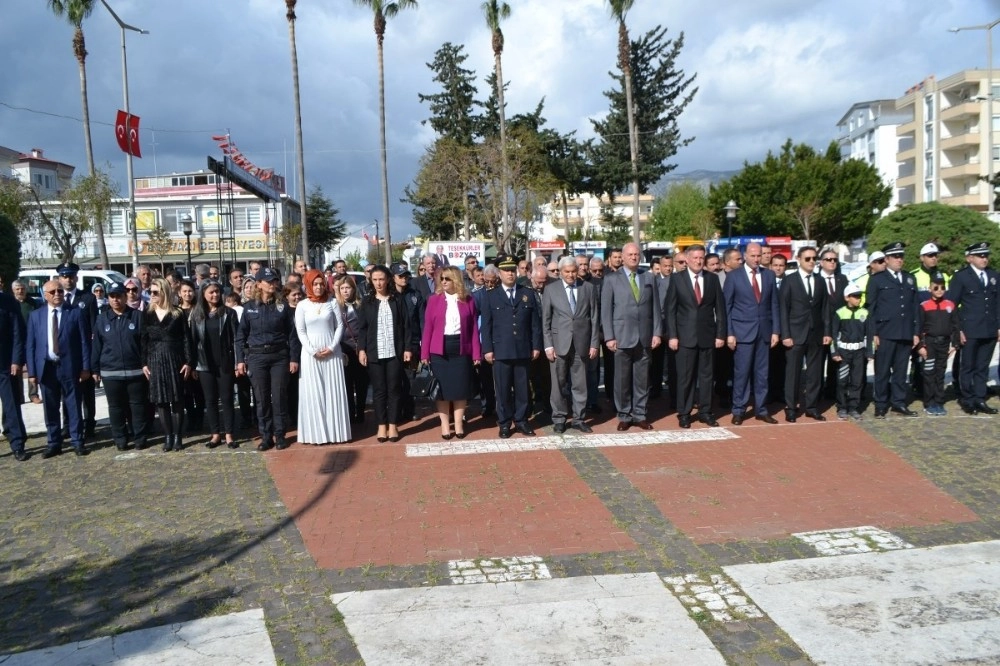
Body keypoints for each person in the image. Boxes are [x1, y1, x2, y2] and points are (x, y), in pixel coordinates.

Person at [236, 267, 301, 451]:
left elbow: (292, 335)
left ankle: (280, 435)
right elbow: (241, 336)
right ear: (259, 284)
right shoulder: (249, 308)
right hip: (257, 357)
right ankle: (266, 436)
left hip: (279, 356)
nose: (273, 284)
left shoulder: (283, 306)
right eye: (268, 281)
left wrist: (293, 358)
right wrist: (240, 359)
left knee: (279, 397)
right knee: (261, 399)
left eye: (274, 280)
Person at [27, 280, 92, 457]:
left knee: (73, 405)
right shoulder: (36, 316)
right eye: (53, 291)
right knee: (50, 407)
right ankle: (54, 442)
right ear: (45, 295)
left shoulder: (75, 313)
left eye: (60, 291)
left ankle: (78, 440)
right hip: (46, 368)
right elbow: (31, 346)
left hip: (70, 367)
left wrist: (86, 367)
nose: (57, 294)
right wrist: (32, 373)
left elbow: (84, 342)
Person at [480, 254, 543, 438]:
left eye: (512, 270)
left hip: (523, 349)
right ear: (499, 273)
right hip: (501, 350)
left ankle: (522, 421)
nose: (510, 274)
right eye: (506, 270)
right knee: (503, 389)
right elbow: (486, 325)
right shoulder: (491, 296)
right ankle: (505, 423)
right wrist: (488, 349)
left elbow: (534, 324)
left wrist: (536, 346)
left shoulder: (527, 293)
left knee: (523, 389)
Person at [602, 242, 663, 430]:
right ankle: (624, 415)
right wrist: (609, 337)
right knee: (621, 379)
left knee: (642, 379)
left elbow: (655, 307)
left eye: (637, 254)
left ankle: (640, 414)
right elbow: (606, 310)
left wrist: (657, 332)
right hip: (621, 337)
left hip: (644, 336)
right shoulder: (611, 279)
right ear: (623, 256)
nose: (634, 257)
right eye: (630, 254)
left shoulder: (649, 278)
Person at [665, 244, 725, 428]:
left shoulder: (712, 279)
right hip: (684, 337)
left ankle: (706, 411)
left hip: (708, 335)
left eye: (701, 258)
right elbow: (670, 310)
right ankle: (684, 413)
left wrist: (721, 334)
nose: (699, 261)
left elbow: (720, 310)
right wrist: (673, 335)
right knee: (686, 377)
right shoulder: (677, 279)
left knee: (707, 376)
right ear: (688, 259)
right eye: (695, 258)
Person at [421, 265, 481, 439]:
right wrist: (424, 353)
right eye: (442, 279)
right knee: (442, 390)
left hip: (461, 347)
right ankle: (445, 426)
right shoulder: (433, 300)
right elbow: (428, 328)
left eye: (448, 278)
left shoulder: (468, 300)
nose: (444, 282)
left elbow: (474, 331)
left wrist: (476, 353)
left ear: (456, 280)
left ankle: (459, 425)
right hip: (439, 349)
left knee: (460, 388)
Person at [723, 242, 780, 425]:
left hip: (764, 332)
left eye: (759, 255)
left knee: (762, 374)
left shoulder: (769, 275)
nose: (756, 259)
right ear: (745, 255)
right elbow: (727, 307)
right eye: (753, 255)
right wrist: (729, 333)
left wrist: (776, 331)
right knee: (742, 373)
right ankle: (739, 410)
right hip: (742, 333)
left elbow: (774, 305)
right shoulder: (734, 276)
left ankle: (761, 409)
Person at [357, 265, 413, 442]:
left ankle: (393, 425)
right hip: (375, 352)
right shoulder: (367, 302)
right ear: (371, 281)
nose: (379, 283)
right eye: (375, 280)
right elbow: (363, 329)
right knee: (379, 391)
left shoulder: (397, 299)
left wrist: (407, 348)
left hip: (394, 351)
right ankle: (382, 425)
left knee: (394, 389)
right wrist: (361, 349)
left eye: (381, 279)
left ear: (388, 279)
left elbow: (406, 326)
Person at [542, 256, 598, 433]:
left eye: (573, 271)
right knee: (558, 383)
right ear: (560, 272)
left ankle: (579, 418)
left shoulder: (588, 288)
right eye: (567, 272)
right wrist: (548, 345)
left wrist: (594, 344)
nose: (571, 275)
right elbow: (546, 320)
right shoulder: (551, 290)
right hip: (559, 344)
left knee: (580, 383)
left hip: (581, 343)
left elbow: (595, 318)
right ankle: (559, 418)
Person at [295, 269, 351, 445]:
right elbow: (301, 331)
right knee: (314, 393)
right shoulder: (302, 305)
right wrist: (312, 351)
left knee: (333, 391)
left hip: (331, 352)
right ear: (308, 285)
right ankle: (316, 435)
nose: (318, 287)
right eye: (315, 284)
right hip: (310, 354)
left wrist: (333, 347)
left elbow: (339, 326)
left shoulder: (333, 302)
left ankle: (336, 433)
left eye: (321, 284)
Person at [866, 242, 920, 418]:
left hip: (905, 331)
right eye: (895, 257)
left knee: (900, 370)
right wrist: (873, 333)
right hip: (885, 332)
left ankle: (898, 402)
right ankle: (880, 404)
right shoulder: (877, 279)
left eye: (901, 256)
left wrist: (916, 332)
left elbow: (915, 307)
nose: (899, 260)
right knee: (882, 371)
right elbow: (870, 309)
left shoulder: (910, 278)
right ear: (887, 259)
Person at [92, 282, 148, 451]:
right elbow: (97, 346)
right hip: (111, 372)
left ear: (125, 297)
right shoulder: (102, 319)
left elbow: (144, 343)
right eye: (112, 296)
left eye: (119, 296)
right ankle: (120, 438)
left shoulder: (137, 316)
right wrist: (95, 369)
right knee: (116, 408)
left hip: (135, 371)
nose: (116, 300)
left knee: (137, 406)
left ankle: (140, 437)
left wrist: (145, 363)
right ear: (108, 298)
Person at [946, 242, 1000, 415]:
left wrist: (999, 326)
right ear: (970, 258)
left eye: (986, 255)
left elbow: (997, 303)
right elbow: (952, 305)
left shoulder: (993, 275)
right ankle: (967, 399)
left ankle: (979, 398)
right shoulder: (961, 277)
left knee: (982, 366)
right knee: (967, 366)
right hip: (969, 329)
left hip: (989, 328)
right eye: (980, 256)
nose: (984, 259)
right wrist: (958, 329)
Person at [779, 247, 831, 422]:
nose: (811, 261)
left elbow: (825, 309)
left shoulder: (820, 281)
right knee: (793, 373)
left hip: (816, 333)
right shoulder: (790, 280)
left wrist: (827, 332)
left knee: (815, 373)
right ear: (799, 259)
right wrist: (785, 334)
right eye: (807, 258)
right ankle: (791, 407)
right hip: (795, 333)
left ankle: (812, 406)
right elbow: (783, 309)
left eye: (814, 258)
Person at [142, 279, 193, 451]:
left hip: (174, 359)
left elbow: (186, 339)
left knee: (177, 399)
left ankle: (178, 436)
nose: (152, 295)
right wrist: (144, 363)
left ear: (164, 292)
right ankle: (168, 436)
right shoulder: (147, 314)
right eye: (151, 292)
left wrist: (188, 362)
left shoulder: (178, 313)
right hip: (155, 359)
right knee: (161, 401)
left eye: (156, 292)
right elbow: (143, 340)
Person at [188, 280, 240, 448]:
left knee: (226, 399)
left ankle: (229, 434)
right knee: (210, 400)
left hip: (225, 362)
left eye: (217, 291)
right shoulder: (197, 315)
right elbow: (193, 342)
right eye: (211, 292)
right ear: (203, 294)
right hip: (204, 364)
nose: (215, 295)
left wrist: (238, 362)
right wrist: (194, 364)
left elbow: (236, 340)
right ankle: (215, 434)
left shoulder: (229, 313)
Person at [58, 262, 98, 438]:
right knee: (66, 392)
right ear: (60, 278)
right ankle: (68, 424)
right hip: (65, 355)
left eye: (71, 276)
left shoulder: (87, 298)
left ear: (76, 277)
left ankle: (89, 424)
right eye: (65, 276)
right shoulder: (57, 299)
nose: (68, 280)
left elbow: (94, 329)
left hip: (84, 353)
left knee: (87, 393)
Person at [917, 273, 959, 416]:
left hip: (944, 343)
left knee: (940, 373)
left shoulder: (950, 305)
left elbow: (955, 325)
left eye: (942, 287)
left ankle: (939, 402)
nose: (939, 290)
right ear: (930, 289)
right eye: (936, 287)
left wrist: (955, 344)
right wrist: (921, 346)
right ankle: (929, 403)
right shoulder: (924, 306)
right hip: (929, 344)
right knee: (929, 373)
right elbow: (919, 327)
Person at [830, 284, 873, 420]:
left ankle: (854, 407)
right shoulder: (840, 313)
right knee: (842, 381)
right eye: (855, 296)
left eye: (859, 296)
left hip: (859, 353)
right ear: (847, 298)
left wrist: (870, 352)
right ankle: (842, 407)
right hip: (843, 353)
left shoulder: (865, 313)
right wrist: (834, 352)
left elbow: (869, 335)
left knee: (857, 381)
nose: (858, 299)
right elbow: (833, 335)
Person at [391, 262, 424, 422]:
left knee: (410, 378)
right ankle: (396, 411)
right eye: (400, 276)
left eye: (406, 275)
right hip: (393, 343)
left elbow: (422, 320)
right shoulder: (389, 296)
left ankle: (410, 410)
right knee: (394, 379)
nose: (404, 278)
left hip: (412, 342)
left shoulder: (415, 295)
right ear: (393, 277)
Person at [0, 277, 28, 461]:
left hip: (5, 363)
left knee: (11, 404)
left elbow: (18, 333)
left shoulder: (8, 302)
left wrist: (16, 361)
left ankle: (17, 443)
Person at [334, 275, 368, 424]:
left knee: (362, 383)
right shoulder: (336, 306)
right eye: (342, 288)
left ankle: (360, 412)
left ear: (353, 289)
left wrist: (363, 347)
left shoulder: (361, 304)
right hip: (344, 349)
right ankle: (350, 412)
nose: (345, 291)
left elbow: (365, 327)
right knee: (346, 384)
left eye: (348, 287)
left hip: (359, 348)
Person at [472, 265, 498, 419]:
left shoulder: (501, 293)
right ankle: (487, 405)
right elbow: (474, 320)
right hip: (483, 343)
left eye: (492, 282)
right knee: (485, 378)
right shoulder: (478, 295)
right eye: (486, 281)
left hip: (500, 342)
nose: (489, 284)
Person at [11, 280, 40, 404]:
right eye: (17, 289)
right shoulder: (10, 303)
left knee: (32, 368)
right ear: (13, 290)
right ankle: (18, 396)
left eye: (22, 288)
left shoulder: (33, 303)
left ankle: (33, 394)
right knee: (16, 369)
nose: (20, 291)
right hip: (15, 342)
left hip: (30, 340)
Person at [283, 282, 304, 428]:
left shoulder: (305, 308)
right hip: (291, 353)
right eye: (294, 295)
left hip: (306, 351)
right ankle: (294, 417)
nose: (297, 297)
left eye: (299, 294)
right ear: (287, 296)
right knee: (292, 389)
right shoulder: (285, 311)